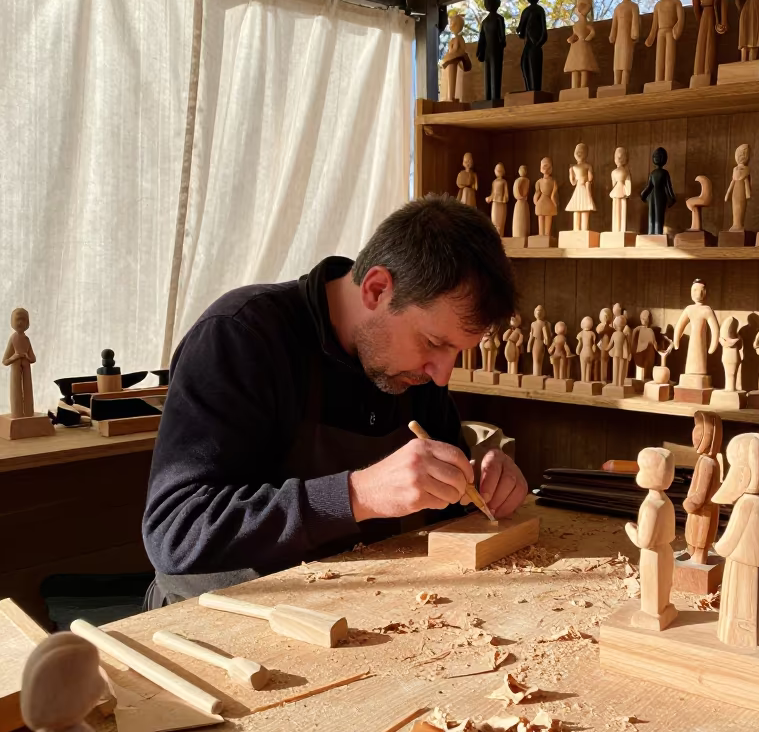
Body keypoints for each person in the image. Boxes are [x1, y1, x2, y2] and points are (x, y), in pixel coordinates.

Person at [143, 198, 527, 607]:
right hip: (216, 617)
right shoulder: (239, 337)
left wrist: (476, 483)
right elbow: (174, 532)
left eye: (457, 352)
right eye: (434, 343)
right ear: (377, 289)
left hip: (348, 603)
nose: (442, 375)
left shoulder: (416, 368)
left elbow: (445, 504)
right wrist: (358, 494)